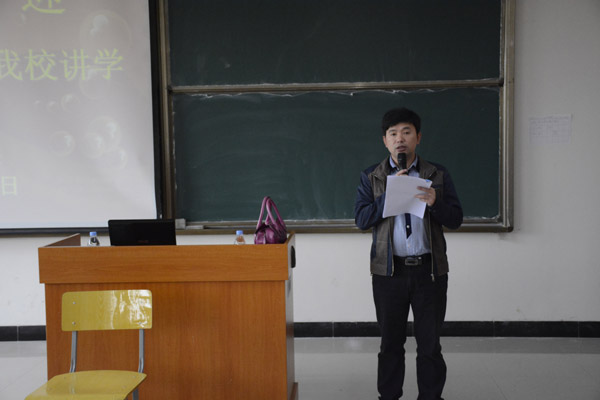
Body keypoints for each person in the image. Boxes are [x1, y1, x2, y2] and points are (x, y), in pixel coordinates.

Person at [354, 107, 463, 400]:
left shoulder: (437, 174)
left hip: (429, 272)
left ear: (418, 137)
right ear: (385, 141)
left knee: (430, 345)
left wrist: (436, 202)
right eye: (393, 134)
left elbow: (455, 219)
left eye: (406, 132)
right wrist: (387, 198)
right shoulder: (371, 177)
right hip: (389, 273)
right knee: (390, 344)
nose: (399, 139)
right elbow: (362, 220)